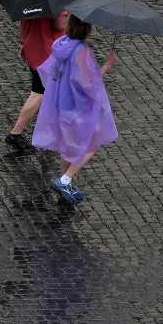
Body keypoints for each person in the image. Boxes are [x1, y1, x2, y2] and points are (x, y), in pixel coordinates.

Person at [32, 14, 118, 203]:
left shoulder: (60, 44)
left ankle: (66, 187)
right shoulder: (81, 51)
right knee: (91, 144)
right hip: (78, 110)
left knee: (68, 147)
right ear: (87, 29)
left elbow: (51, 72)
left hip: (62, 106)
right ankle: (65, 179)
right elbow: (88, 83)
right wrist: (106, 66)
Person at [5, 11, 69, 150]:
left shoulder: (30, 2)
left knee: (50, 92)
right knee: (39, 92)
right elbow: (59, 25)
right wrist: (67, 15)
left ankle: (51, 131)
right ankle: (16, 133)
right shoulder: (56, 3)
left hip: (32, 49)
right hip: (48, 53)